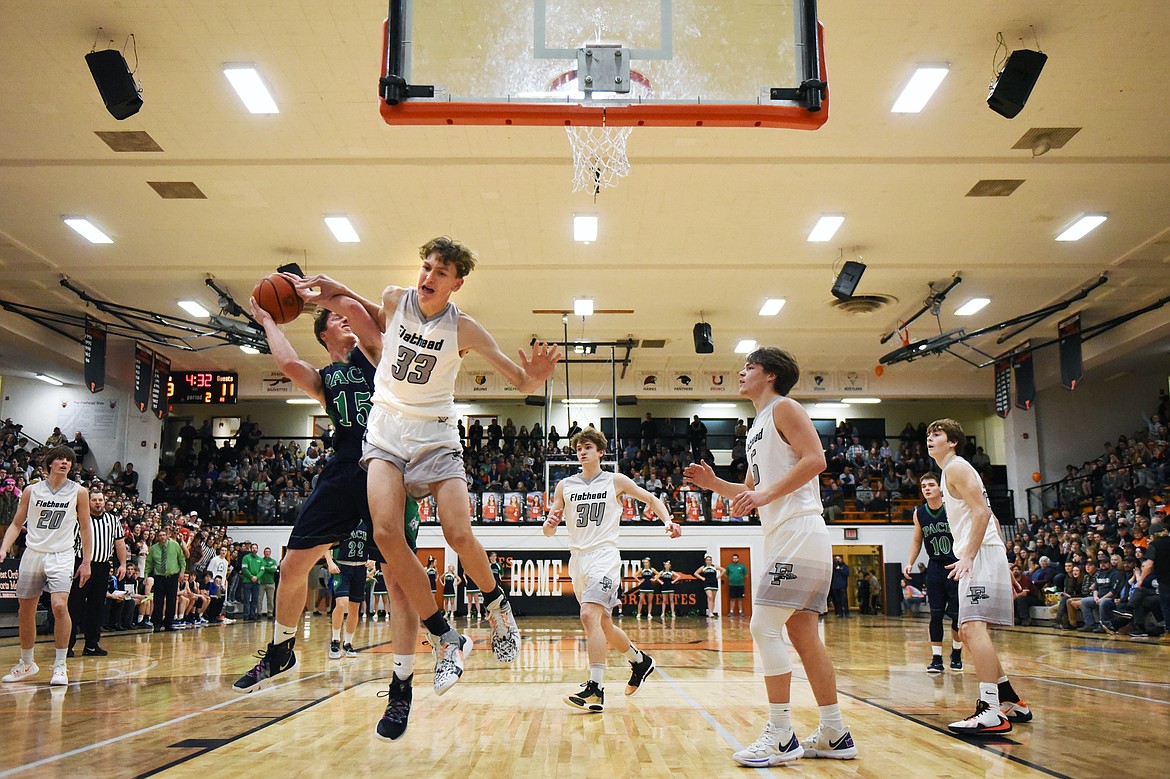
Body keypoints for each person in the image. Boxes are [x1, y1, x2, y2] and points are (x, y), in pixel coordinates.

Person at [296, 236, 560, 690]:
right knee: (385, 535)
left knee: (458, 531)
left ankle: (497, 605)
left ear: (457, 284)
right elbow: (359, 306)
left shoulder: (466, 328)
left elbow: (518, 382)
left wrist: (533, 377)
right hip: (385, 434)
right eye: (426, 266)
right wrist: (329, 287)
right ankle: (443, 635)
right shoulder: (395, 299)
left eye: (441, 272)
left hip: (435, 436)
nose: (429, 277)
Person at [229, 304, 425, 742]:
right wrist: (267, 321)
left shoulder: (375, 356)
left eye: (346, 318)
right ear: (323, 335)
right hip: (343, 469)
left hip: (389, 464)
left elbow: (371, 323)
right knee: (292, 567)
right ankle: (281, 649)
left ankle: (402, 685)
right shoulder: (326, 378)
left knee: (397, 579)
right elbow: (286, 363)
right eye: (338, 321)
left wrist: (331, 295)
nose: (346, 323)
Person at [685, 347, 857, 765]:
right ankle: (834, 732)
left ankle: (781, 734)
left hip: (801, 529)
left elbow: (816, 460)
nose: (741, 372)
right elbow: (748, 491)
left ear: (771, 376)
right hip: (785, 534)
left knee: (762, 626)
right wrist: (713, 484)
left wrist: (762, 494)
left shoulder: (785, 408)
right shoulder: (757, 426)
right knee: (802, 636)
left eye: (750, 367)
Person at [543, 427, 680, 712]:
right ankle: (639, 661)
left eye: (589, 447)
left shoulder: (614, 480)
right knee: (602, 624)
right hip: (578, 559)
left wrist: (667, 521)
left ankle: (595, 688)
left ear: (600, 452)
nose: (582, 451)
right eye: (579, 447)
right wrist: (550, 523)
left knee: (588, 615)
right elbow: (547, 530)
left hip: (604, 556)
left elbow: (651, 499)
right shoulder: (565, 486)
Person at [927, 418, 1032, 735]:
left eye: (937, 434)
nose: (930, 439)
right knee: (971, 630)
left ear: (953, 441)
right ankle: (1009, 700)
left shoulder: (955, 468)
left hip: (979, 554)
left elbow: (983, 513)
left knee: (970, 629)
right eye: (928, 435)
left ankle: (990, 710)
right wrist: (1005, 564)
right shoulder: (953, 472)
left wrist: (972, 555)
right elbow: (992, 515)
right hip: (988, 553)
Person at [1, 446, 92, 686]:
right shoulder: (32, 491)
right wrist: (3, 548)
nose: (64, 462)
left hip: (61, 554)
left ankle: (60, 665)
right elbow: (16, 523)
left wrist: (86, 561)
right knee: (25, 611)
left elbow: (85, 528)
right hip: (33, 553)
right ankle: (27, 662)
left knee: (60, 606)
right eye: (60, 459)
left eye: (69, 460)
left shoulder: (79, 492)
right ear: (50, 463)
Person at [903, 473, 963, 673]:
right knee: (935, 614)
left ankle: (956, 653)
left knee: (956, 616)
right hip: (935, 567)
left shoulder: (952, 508)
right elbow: (916, 540)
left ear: (940, 488)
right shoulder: (919, 513)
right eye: (923, 486)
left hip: (955, 565)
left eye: (931, 485)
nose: (927, 488)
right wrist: (910, 562)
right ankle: (936, 658)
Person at [68, 489, 127, 656]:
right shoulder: (79, 518)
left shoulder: (113, 520)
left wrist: (122, 564)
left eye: (100, 500)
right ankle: (68, 645)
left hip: (102, 567)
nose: (98, 503)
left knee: (97, 607)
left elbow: (120, 543)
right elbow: (70, 543)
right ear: (88, 502)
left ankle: (91, 645)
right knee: (74, 606)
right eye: (94, 500)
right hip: (80, 565)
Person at [145, 525, 186, 631]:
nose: (162, 537)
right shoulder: (154, 548)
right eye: (160, 535)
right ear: (157, 537)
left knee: (171, 600)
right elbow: (149, 563)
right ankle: (157, 624)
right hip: (159, 576)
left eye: (164, 535)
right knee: (158, 601)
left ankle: (168, 623)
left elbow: (182, 559)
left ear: (167, 536)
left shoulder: (175, 545)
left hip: (172, 576)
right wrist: (145, 575)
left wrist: (182, 572)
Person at [724, 553, 748, 618]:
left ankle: (741, 611)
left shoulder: (742, 566)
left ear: (738, 558)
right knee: (732, 599)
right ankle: (731, 611)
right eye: (733, 558)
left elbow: (746, 575)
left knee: (740, 599)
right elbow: (726, 575)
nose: (735, 559)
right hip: (732, 585)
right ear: (732, 559)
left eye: (736, 558)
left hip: (740, 585)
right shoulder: (729, 566)